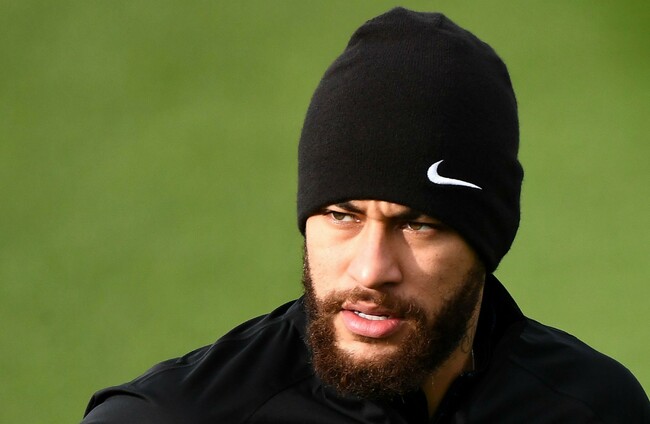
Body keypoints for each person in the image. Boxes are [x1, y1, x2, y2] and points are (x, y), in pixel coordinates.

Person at [81, 8, 648, 423]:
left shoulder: (596, 409)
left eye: (418, 224)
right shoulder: (168, 418)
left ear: (488, 239)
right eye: (341, 215)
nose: (371, 270)